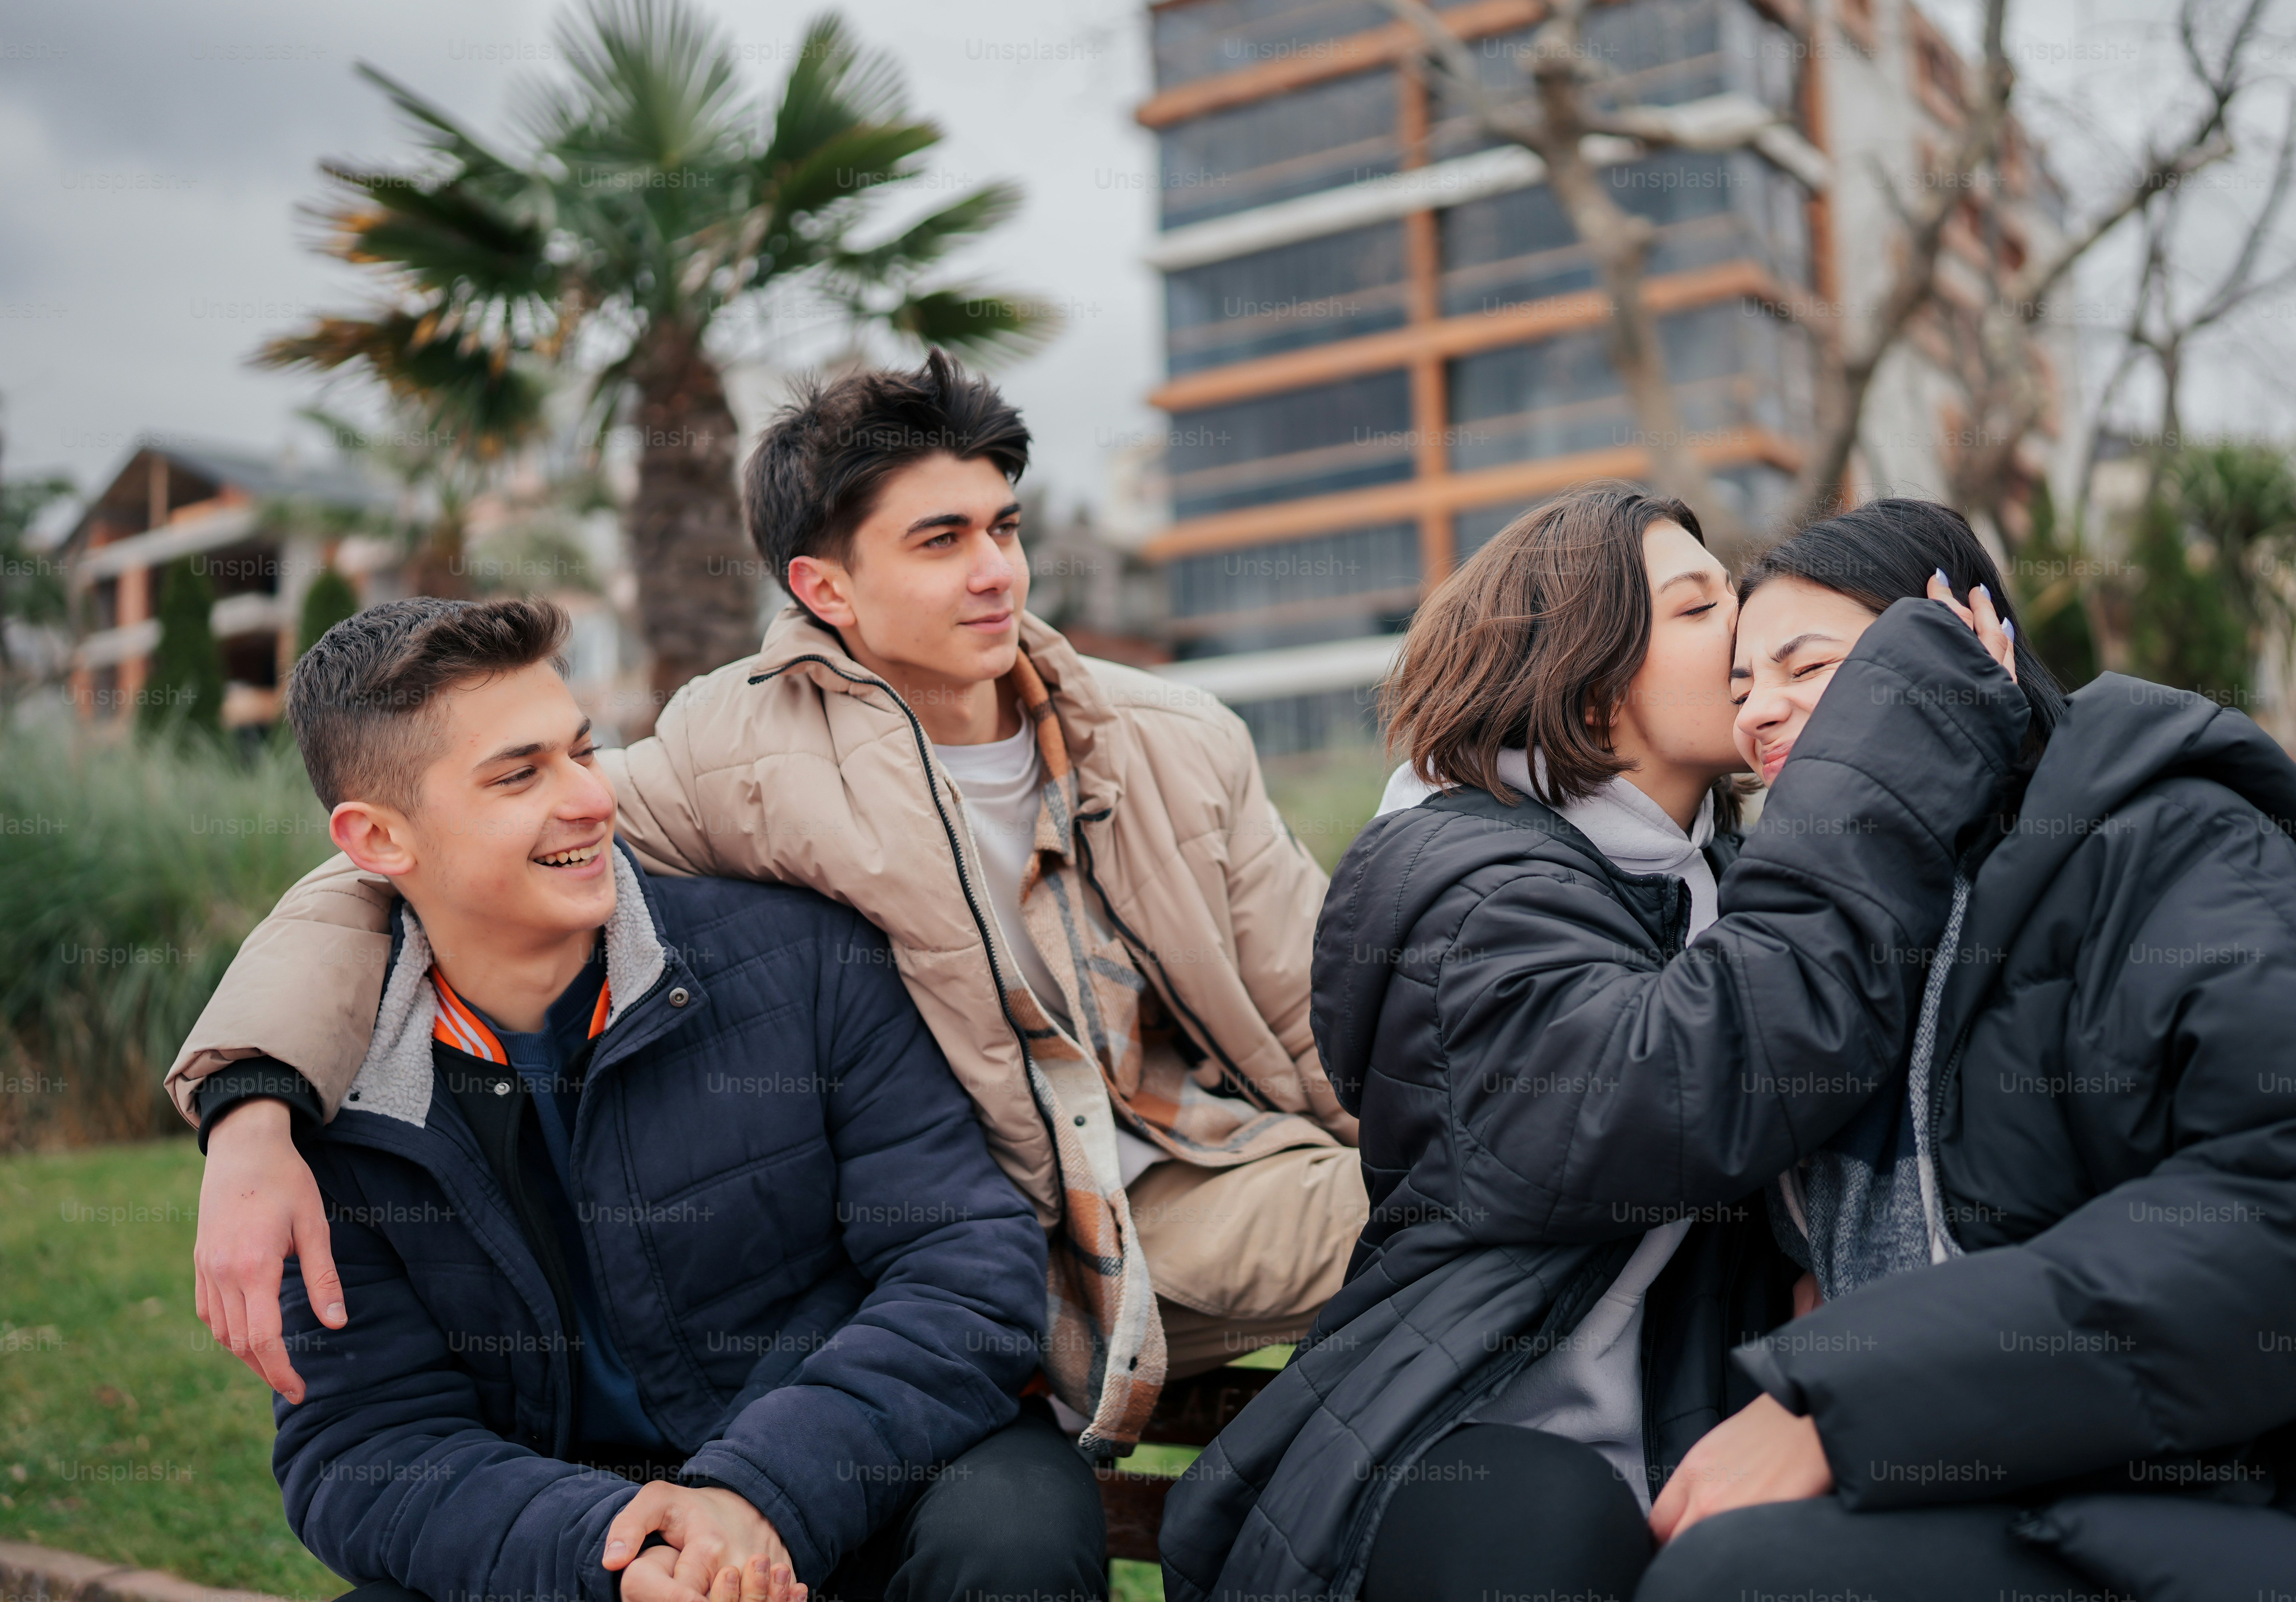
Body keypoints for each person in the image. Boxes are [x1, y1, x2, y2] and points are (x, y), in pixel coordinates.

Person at [177, 352, 1366, 1461]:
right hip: (1004, 1238)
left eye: (1004, 526)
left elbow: (1324, 1008)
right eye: (941, 540)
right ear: (823, 586)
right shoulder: (732, 751)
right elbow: (385, 875)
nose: (997, 569)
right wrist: (249, 1116)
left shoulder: (1172, 737)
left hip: (1222, 1165)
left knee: (1481, 1192)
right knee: (1468, 1216)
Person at [1634, 498, 2296, 1601]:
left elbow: (2293, 1208)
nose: (1764, 712)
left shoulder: (2166, 841)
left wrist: (1852, 1397)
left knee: (1734, 1582)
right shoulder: (1836, 942)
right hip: (2076, 1462)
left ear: (1966, 638)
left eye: (1814, 666)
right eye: (1743, 684)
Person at [1158, 481, 2033, 1602]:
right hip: (1462, 1425)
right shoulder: (1468, 890)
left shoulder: (1708, 885)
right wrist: (1897, 734)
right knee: (1560, 1529)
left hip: (1683, 1410)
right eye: (1696, 606)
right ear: (1584, 691)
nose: (1745, 622)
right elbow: (1683, 1088)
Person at [254, 595, 1103, 1602]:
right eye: (521, 774)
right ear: (380, 839)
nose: (588, 799)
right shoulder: (335, 1102)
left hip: (861, 1468)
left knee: (1015, 1530)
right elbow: (365, 1443)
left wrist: (755, 1494)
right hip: (584, 1533)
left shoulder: (807, 958)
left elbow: (963, 1267)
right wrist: (616, 1555)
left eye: (583, 751)